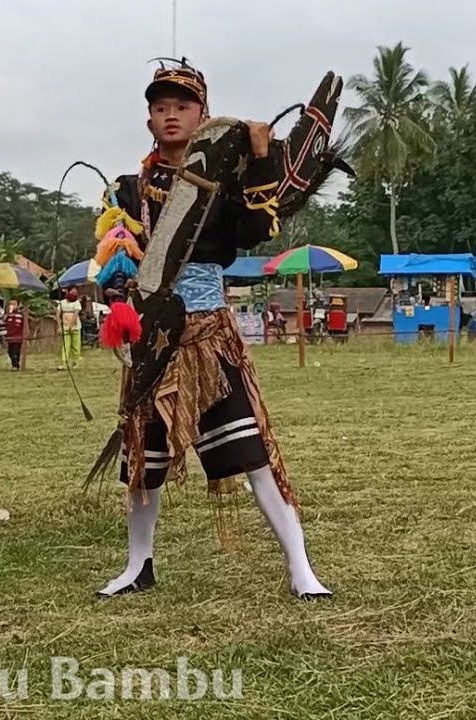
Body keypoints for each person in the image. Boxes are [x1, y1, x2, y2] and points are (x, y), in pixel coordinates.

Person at [93, 59, 330, 600]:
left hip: (209, 338)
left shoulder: (229, 182)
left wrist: (264, 154)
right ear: (149, 120)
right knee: (144, 461)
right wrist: (120, 299)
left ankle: (300, 567)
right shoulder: (129, 190)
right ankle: (138, 564)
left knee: (254, 455)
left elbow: (254, 230)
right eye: (160, 108)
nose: (170, 116)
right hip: (153, 342)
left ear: (203, 115)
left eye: (182, 107)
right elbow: (115, 264)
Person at [58, 289, 82, 370]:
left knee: (75, 345)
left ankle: (76, 362)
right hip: (65, 327)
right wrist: (60, 326)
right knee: (66, 345)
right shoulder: (62, 303)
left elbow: (75, 314)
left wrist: (71, 326)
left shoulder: (77, 303)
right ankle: (64, 363)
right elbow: (58, 314)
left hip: (75, 327)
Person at [3, 299, 25, 371]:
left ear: (18, 306)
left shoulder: (20, 315)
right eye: (10, 304)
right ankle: (14, 364)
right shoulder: (8, 315)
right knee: (10, 351)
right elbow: (4, 321)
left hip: (18, 336)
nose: (11, 306)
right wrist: (8, 314)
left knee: (16, 351)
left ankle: (16, 365)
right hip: (10, 336)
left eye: (14, 304)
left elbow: (24, 325)